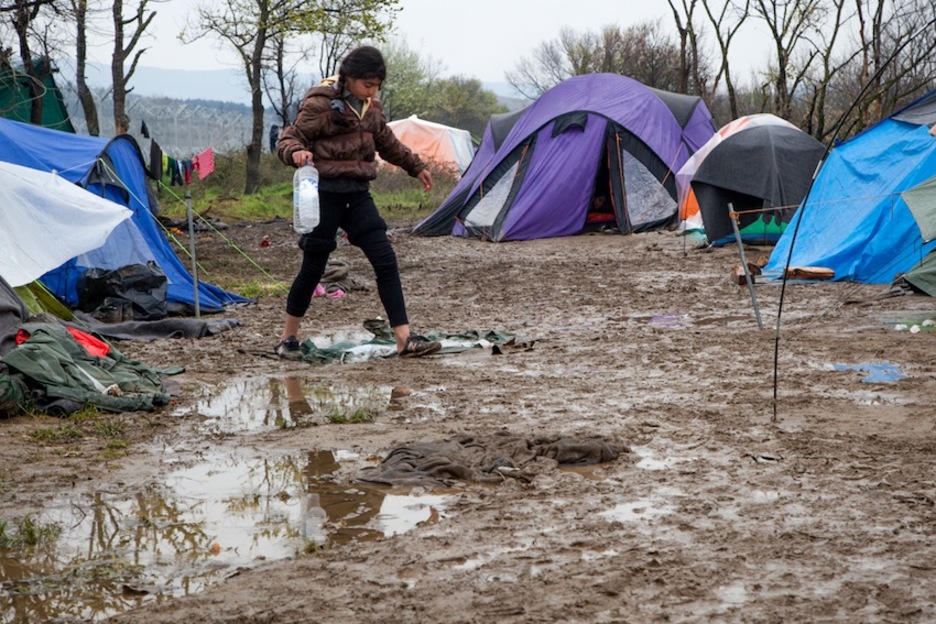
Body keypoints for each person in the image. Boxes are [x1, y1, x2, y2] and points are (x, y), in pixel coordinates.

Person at [273, 45, 440, 361]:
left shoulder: (371, 108)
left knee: (385, 259)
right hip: (324, 194)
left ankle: (405, 339)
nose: (372, 90)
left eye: (377, 85)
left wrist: (416, 167)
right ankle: (287, 338)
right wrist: (295, 152)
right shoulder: (320, 105)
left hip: (358, 194)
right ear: (348, 78)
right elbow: (289, 139)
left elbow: (387, 143)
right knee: (313, 267)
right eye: (367, 84)